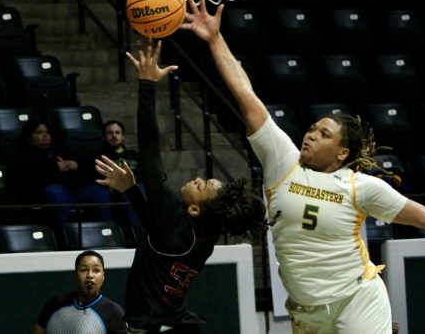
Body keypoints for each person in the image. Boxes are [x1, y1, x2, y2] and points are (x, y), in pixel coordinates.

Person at [181, 0, 425, 334]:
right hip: (306, 312)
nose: (311, 135)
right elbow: (244, 92)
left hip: (357, 301)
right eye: (312, 128)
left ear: (341, 153)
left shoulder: (360, 187)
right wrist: (214, 38)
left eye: (323, 134)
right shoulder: (283, 160)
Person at [95, 41, 267, 333]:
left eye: (202, 186)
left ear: (195, 208)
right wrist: (133, 191)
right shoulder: (205, 233)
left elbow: (150, 152)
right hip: (174, 323)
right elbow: (154, 228)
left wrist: (147, 86)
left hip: (151, 327)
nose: (197, 178)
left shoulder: (177, 222)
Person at [14, 118, 113, 236]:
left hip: (75, 189)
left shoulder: (58, 150)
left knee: (99, 193)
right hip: (46, 192)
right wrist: (55, 167)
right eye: (39, 133)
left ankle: (109, 233)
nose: (45, 135)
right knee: (56, 193)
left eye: (47, 132)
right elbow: (31, 177)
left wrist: (74, 164)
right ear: (29, 137)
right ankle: (64, 237)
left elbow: (82, 163)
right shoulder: (23, 156)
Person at [32, 249, 128, 334]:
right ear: (76, 274)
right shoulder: (55, 303)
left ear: (103, 276)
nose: (90, 275)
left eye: (96, 270)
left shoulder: (114, 312)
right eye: (84, 270)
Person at [100, 119, 144, 246]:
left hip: (136, 188)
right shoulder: (100, 157)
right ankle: (137, 237)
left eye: (117, 132)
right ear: (104, 136)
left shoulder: (134, 155)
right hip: (115, 191)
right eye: (110, 133)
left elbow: (143, 175)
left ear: (123, 136)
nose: (114, 136)